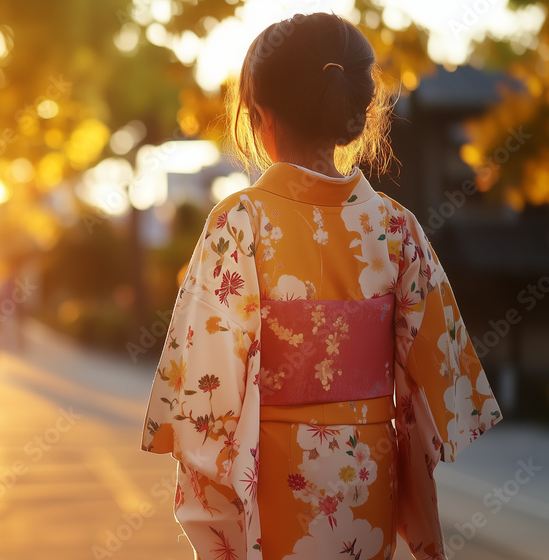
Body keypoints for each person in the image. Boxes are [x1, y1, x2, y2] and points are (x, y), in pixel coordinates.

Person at [140, 12, 502, 560]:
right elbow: (441, 378)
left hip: (276, 472)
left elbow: (206, 397)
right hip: (367, 475)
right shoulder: (395, 227)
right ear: (353, 114)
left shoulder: (241, 222)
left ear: (259, 115)